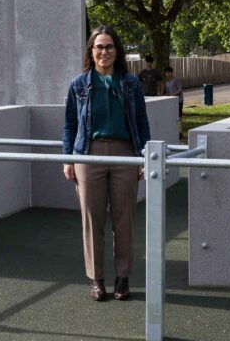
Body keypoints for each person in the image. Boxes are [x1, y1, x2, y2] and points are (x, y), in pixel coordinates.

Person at [62, 26, 151, 302]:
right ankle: (97, 280)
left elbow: (141, 122)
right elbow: (69, 125)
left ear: (117, 51)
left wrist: (144, 156)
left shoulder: (130, 83)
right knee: (92, 219)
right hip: (89, 155)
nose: (104, 52)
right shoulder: (79, 84)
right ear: (91, 51)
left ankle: (122, 279)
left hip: (125, 153)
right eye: (99, 47)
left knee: (124, 219)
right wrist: (68, 158)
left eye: (109, 46)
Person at [163, 66, 183, 131]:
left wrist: (172, 95)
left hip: (178, 101)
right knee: (173, 116)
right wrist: (163, 96)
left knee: (179, 116)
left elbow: (180, 90)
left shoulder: (176, 80)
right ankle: (174, 130)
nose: (167, 74)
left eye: (169, 73)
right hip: (171, 101)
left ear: (172, 73)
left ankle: (180, 132)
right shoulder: (167, 82)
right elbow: (168, 93)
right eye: (166, 73)